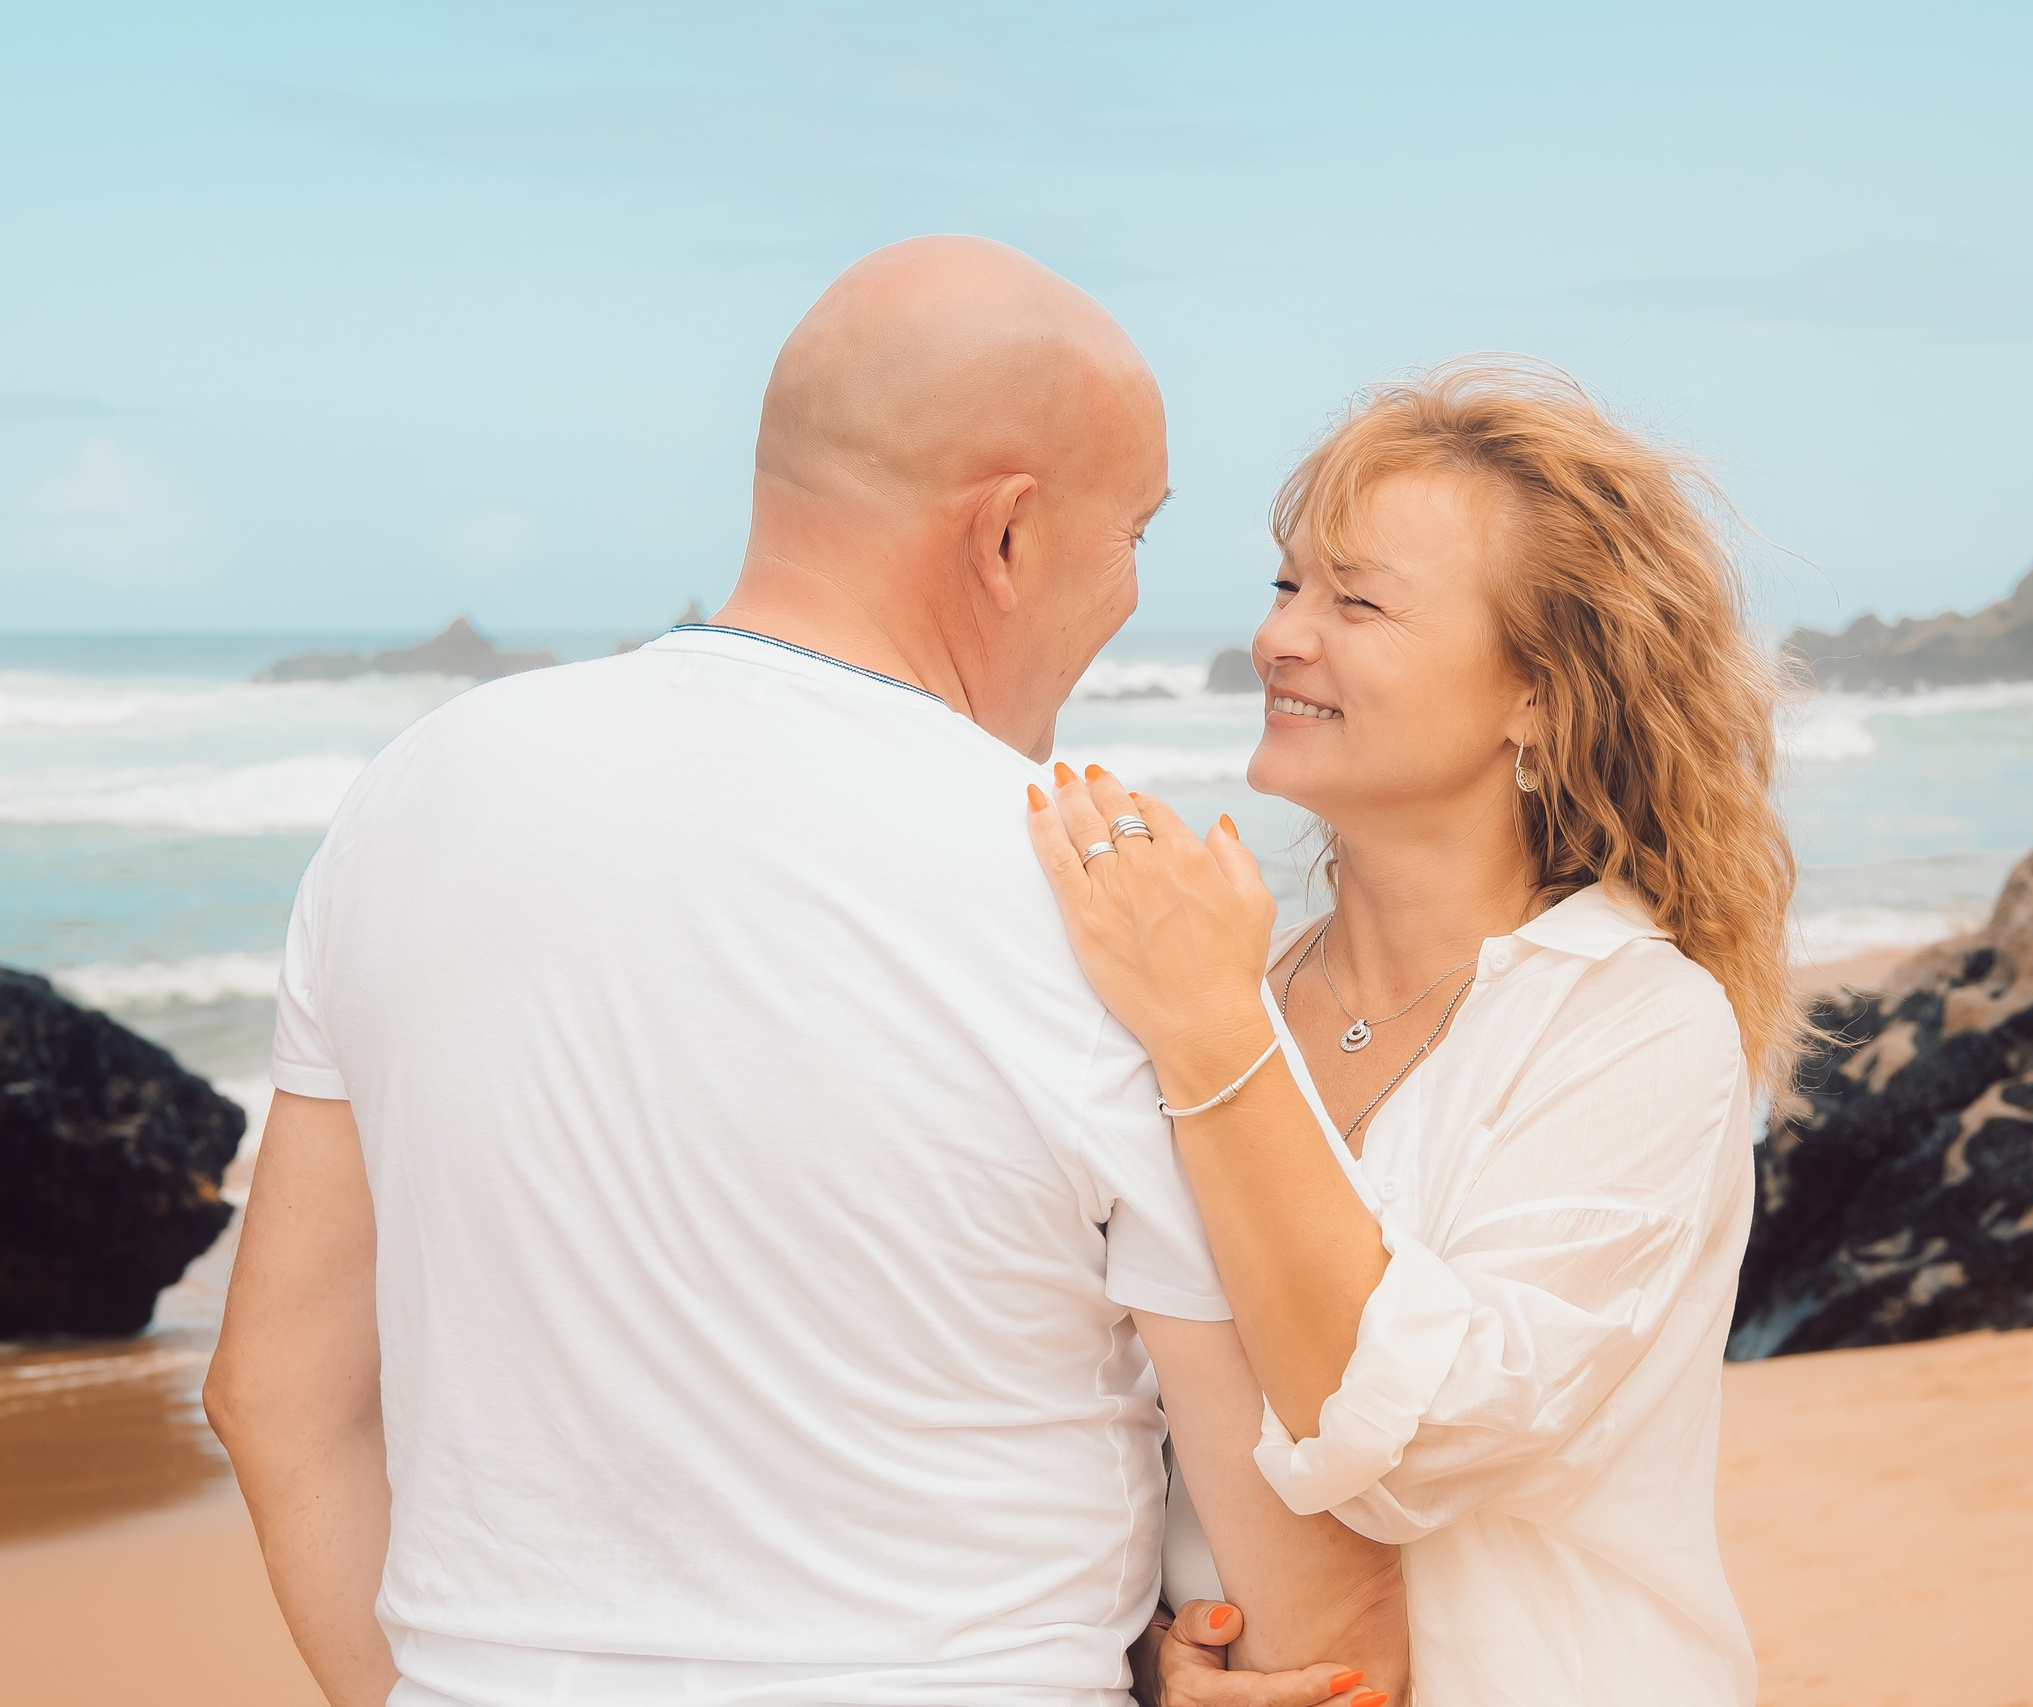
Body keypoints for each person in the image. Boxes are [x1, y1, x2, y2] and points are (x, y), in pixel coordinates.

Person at [204, 237, 1404, 1707]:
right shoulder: (1113, 909)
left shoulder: (413, 792)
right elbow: (1311, 1593)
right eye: (1137, 535)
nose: (1138, 592)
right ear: (1008, 538)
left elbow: (271, 1398)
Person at [1026, 361, 1796, 1703]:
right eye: (1286, 587)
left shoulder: (1631, 1022)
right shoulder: (1236, 998)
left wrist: (1210, 1039)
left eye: (1357, 601)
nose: (1279, 639)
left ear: (1540, 698)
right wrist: (1159, 1658)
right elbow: (1135, 1434)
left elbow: (1422, 1433)